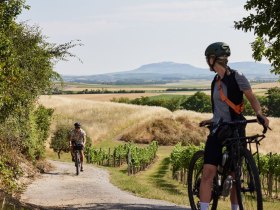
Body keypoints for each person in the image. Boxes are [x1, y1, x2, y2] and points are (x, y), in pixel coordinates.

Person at [199, 42, 269, 210]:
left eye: (208, 58)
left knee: (235, 174)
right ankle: (203, 207)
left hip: (236, 128)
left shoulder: (238, 77)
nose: (208, 61)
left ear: (212, 59)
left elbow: (251, 98)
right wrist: (212, 119)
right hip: (218, 129)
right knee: (209, 171)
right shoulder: (215, 82)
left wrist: (259, 113)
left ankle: (235, 208)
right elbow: (219, 109)